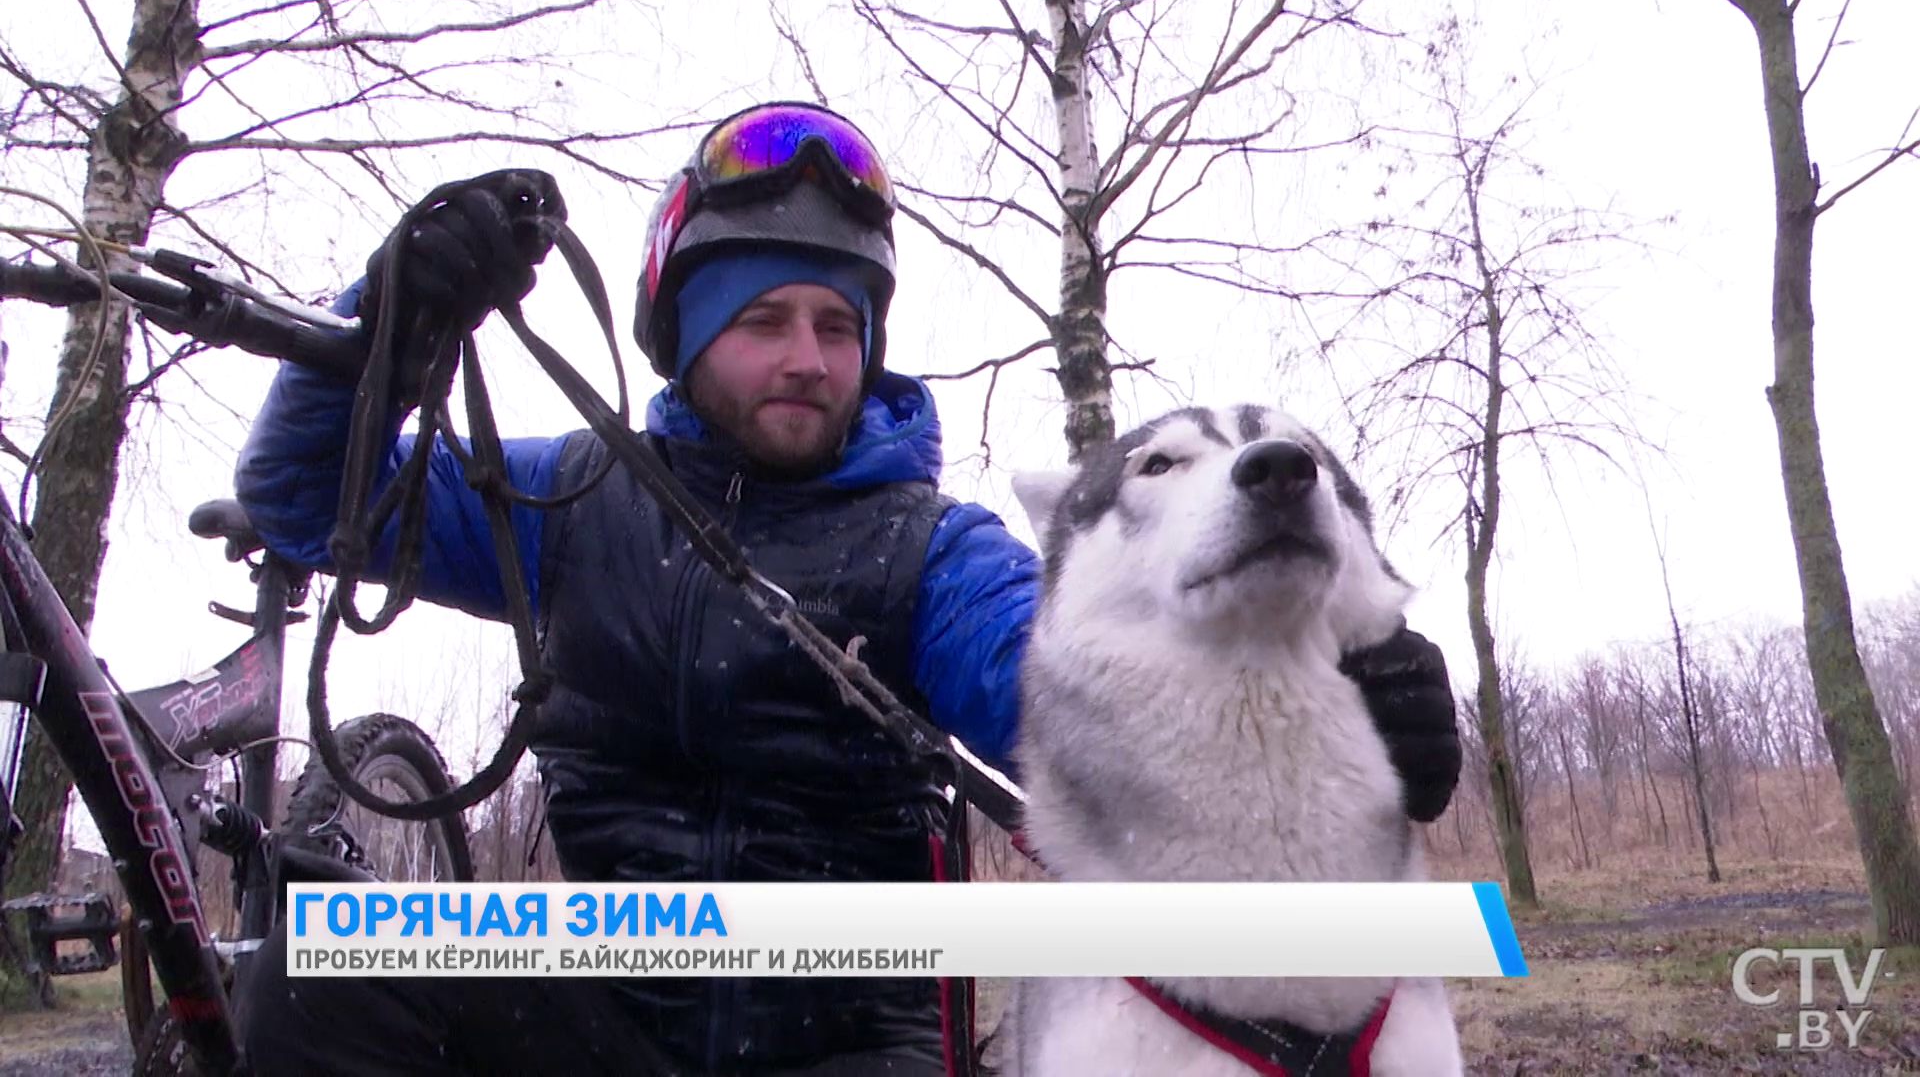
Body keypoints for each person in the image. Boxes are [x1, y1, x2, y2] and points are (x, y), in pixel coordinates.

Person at [228, 102, 1464, 1077]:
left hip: (849, 1034)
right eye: (764, 318)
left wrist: (1350, 692)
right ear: (682, 333)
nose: (809, 359)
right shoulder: (568, 498)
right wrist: (392, 317)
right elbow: (300, 500)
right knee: (320, 964)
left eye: (838, 321)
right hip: (606, 999)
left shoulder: (936, 551)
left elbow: (1086, 708)